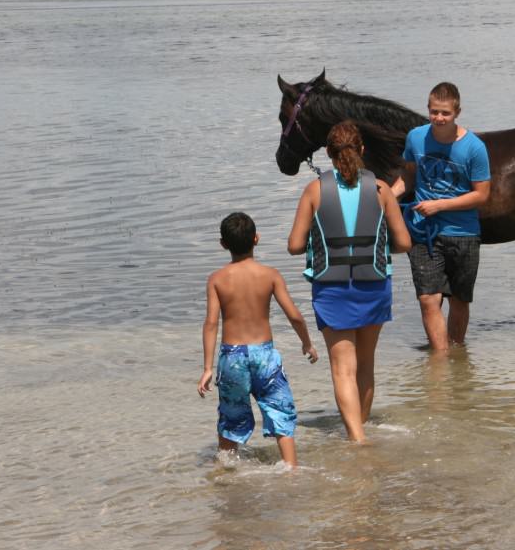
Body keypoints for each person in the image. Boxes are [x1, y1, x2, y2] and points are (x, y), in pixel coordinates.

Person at [288, 121, 411, 443]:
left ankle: (356, 439)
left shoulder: (315, 190)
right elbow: (404, 243)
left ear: (327, 153)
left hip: (332, 288)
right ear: (363, 150)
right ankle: (361, 427)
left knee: (343, 368)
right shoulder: (381, 189)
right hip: (374, 285)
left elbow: (294, 244)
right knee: (366, 364)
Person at [197, 212, 319, 469]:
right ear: (257, 239)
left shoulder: (217, 280)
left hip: (232, 358)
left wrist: (208, 368)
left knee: (231, 415)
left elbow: (211, 323)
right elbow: (294, 315)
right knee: (280, 410)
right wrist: (306, 343)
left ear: (223, 244)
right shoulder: (270, 275)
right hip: (265, 356)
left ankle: (226, 471)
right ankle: (290, 468)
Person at [391, 82, 491, 351]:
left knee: (459, 301)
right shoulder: (416, 137)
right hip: (424, 232)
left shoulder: (474, 147)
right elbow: (409, 174)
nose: (438, 118)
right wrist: (390, 196)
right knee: (428, 299)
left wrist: (439, 205)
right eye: (434, 112)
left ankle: (457, 358)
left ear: (457, 112)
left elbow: (481, 195)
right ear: (428, 109)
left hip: (464, 233)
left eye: (445, 113)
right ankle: (440, 360)